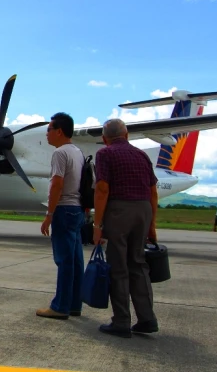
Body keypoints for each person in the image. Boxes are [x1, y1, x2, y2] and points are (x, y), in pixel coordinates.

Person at [93, 119, 158, 338]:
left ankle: (121, 321)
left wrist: (96, 224)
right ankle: (147, 318)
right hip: (143, 209)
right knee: (138, 264)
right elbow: (153, 191)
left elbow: (102, 188)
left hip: (119, 210)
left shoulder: (105, 154)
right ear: (127, 135)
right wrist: (152, 224)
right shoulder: (142, 155)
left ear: (104, 138)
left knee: (118, 266)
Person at [37, 113, 85, 320]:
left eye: (48, 129)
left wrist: (49, 213)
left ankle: (60, 306)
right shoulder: (78, 152)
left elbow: (57, 183)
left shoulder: (59, 153)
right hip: (77, 209)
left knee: (64, 260)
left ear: (59, 131)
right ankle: (74, 304)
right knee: (75, 259)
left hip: (64, 209)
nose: (46, 134)